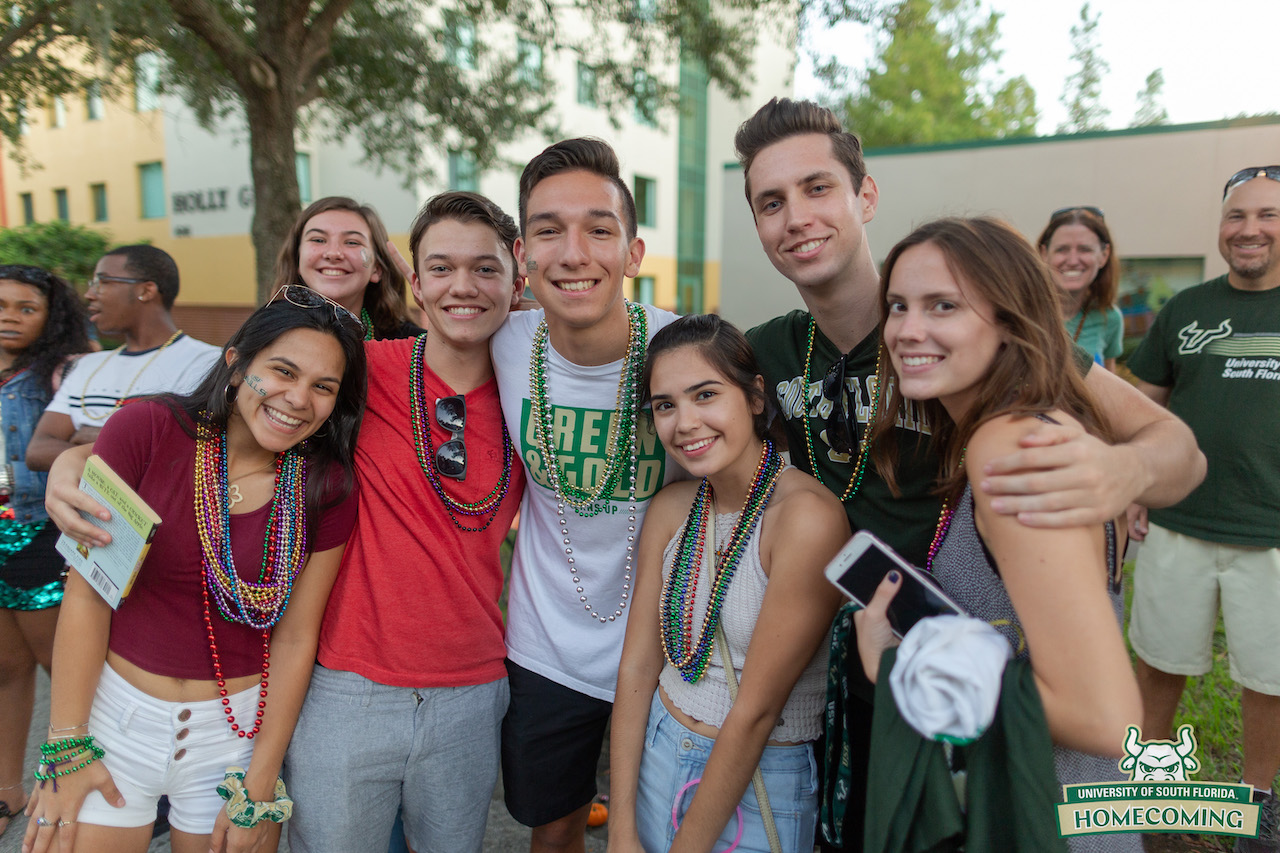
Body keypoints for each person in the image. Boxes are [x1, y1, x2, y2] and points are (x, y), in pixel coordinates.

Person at [733, 97, 1205, 850]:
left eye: (817, 187)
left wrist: (1122, 470)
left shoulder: (981, 342)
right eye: (770, 202)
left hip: (993, 707)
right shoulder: (768, 353)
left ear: (865, 195)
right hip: (871, 679)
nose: (796, 217)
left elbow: (1179, 448)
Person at [22, 291, 366, 853]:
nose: (297, 399)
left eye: (323, 387)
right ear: (236, 364)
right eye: (282, 371)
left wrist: (261, 777)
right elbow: (87, 597)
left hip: (236, 737)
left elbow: (297, 635)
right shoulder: (147, 430)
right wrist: (66, 742)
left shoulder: (326, 485)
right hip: (115, 723)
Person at [853, 217, 1142, 853]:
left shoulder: (1007, 445)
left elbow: (1105, 716)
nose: (908, 330)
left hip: (1038, 816)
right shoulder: (1030, 426)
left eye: (944, 306)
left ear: (1011, 322)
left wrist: (899, 664)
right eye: (898, 306)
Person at [282, 191, 525, 853]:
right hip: (347, 685)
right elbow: (230, 410)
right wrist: (81, 458)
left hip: (474, 689)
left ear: (516, 280)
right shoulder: (360, 370)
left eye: (485, 268)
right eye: (441, 268)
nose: (463, 287)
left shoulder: (536, 395)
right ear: (415, 284)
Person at [489, 137, 681, 853]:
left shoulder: (686, 351)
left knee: (666, 821)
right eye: (548, 230)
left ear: (633, 252)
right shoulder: (500, 344)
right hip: (547, 648)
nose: (574, 253)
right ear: (523, 255)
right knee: (555, 825)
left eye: (599, 229)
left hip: (670, 645)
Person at [609, 314, 847, 853]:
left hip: (763, 778)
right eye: (665, 405)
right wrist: (620, 825)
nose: (685, 422)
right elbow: (639, 666)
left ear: (756, 397)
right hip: (658, 752)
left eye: (705, 395)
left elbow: (757, 711)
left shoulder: (805, 518)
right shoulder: (673, 507)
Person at [1126, 165, 1280, 853]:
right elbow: (1139, 406)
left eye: (1268, 215)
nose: (1250, 229)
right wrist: (1133, 483)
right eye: (1237, 215)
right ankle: (1142, 797)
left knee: (1269, 679)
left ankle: (1259, 807)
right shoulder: (1186, 310)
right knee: (1160, 663)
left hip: (1272, 532)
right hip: (1178, 524)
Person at [0, 265, 90, 840]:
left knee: (69, 673)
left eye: (25, 308)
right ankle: (9, 791)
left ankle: (83, 792)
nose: (10, 316)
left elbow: (90, 433)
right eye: (2, 305)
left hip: (39, 534)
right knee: (6, 669)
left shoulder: (63, 373)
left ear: (50, 316)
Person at [26, 245, 221, 471]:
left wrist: (83, 439)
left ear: (146, 291)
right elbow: (37, 451)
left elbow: (183, 454)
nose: (90, 294)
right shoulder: (87, 365)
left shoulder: (207, 362)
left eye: (104, 282)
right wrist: (124, 446)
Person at [274, 196, 423, 340]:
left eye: (352, 242)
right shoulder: (264, 337)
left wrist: (437, 313)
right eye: (318, 240)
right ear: (297, 259)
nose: (333, 254)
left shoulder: (414, 346)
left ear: (376, 269)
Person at [1037, 206, 1124, 371]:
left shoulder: (1110, 317)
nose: (1072, 260)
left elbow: (1110, 387)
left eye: (1084, 249)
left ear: (1104, 255)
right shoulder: (1021, 312)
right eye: (1062, 249)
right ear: (1044, 254)